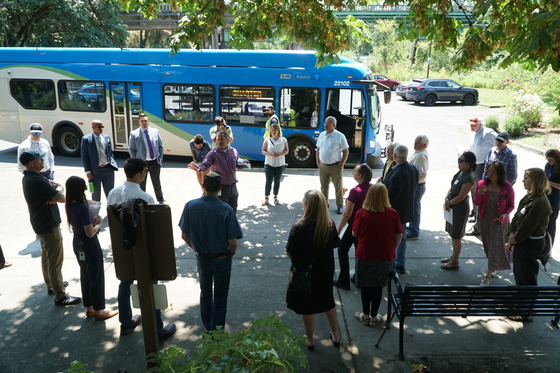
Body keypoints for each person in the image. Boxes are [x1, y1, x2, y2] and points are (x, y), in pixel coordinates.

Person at [107, 158, 176, 340]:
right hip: (143, 250)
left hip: (122, 248)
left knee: (125, 283)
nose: (145, 174)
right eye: (145, 172)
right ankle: (157, 329)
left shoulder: (113, 194)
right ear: (138, 175)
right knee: (150, 287)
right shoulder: (145, 198)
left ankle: (126, 323)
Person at [179, 172, 243, 333]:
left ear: (203, 185)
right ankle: (218, 330)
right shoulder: (226, 209)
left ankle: (208, 327)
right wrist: (229, 254)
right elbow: (233, 242)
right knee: (220, 295)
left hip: (201, 257)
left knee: (205, 292)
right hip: (221, 258)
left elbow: (184, 235)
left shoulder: (190, 206)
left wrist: (197, 249)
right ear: (220, 188)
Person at [20, 150, 81, 306]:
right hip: (48, 224)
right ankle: (60, 295)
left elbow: (52, 189)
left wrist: (52, 188)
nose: (42, 161)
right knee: (55, 260)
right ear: (31, 163)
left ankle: (52, 285)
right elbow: (62, 198)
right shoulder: (37, 181)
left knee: (47, 256)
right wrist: (59, 188)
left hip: (39, 223)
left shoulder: (30, 178)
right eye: (39, 159)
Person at [285, 190, 341, 351]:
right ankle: (336, 335)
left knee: (307, 307)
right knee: (328, 302)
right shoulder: (329, 225)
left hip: (305, 273)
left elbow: (290, 252)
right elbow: (334, 244)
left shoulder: (298, 227)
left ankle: (310, 340)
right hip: (325, 272)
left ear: (307, 205)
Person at [65, 176, 118, 320]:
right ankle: (100, 310)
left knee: (86, 275)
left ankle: (90, 307)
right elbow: (90, 232)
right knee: (96, 276)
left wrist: (92, 222)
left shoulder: (70, 204)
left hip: (77, 242)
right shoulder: (83, 207)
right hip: (89, 244)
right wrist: (99, 224)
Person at [352, 183, 403, 326]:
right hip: (384, 256)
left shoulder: (361, 214)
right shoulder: (392, 213)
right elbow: (398, 234)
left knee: (365, 286)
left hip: (364, 255)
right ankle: (374, 316)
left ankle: (365, 314)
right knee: (378, 287)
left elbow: (355, 233)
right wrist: (392, 247)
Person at [507, 168, 552, 290]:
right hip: (522, 241)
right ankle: (522, 302)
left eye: (526, 178)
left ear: (535, 181)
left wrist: (514, 239)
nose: (523, 181)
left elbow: (527, 226)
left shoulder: (540, 202)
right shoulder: (530, 196)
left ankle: (527, 304)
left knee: (527, 278)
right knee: (519, 274)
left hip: (530, 243)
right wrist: (511, 232)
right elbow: (517, 216)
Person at [473, 162, 515, 284]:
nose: (489, 174)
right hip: (485, 219)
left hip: (500, 222)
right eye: (488, 171)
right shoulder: (482, 184)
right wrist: (480, 194)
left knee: (495, 247)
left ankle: (488, 275)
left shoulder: (507, 187)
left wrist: (505, 214)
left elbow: (511, 205)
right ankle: (494, 266)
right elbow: (476, 203)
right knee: (487, 245)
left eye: (493, 172)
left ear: (500, 174)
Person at [333, 164, 373, 290]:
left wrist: (339, 228)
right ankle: (359, 278)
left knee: (342, 250)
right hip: (366, 227)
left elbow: (347, 214)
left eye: (354, 172)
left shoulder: (355, 191)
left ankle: (344, 281)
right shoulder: (373, 188)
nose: (352, 173)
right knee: (359, 252)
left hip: (353, 226)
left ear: (360, 176)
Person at [189, 131, 249, 212]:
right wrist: (199, 168)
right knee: (221, 211)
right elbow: (206, 163)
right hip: (220, 187)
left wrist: (244, 163)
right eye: (218, 139)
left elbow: (237, 164)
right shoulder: (212, 154)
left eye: (221, 139)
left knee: (233, 210)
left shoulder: (233, 151)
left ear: (227, 140)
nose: (219, 141)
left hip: (233, 187)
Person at [382, 145, 418, 274]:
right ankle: (399, 263)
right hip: (406, 209)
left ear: (395, 156)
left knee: (394, 238)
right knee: (401, 237)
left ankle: (393, 263)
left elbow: (392, 196)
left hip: (396, 212)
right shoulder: (413, 168)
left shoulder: (397, 172)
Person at [442, 151, 476, 270]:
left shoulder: (469, 177)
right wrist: (447, 199)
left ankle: (455, 261)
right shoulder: (461, 173)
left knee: (456, 236)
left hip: (459, 208)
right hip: (452, 205)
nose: (459, 163)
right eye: (458, 160)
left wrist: (449, 203)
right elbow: (452, 188)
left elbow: (461, 196)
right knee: (452, 234)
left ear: (468, 163)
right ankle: (453, 256)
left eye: (461, 161)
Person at [467, 117, 497, 235]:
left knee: (480, 191)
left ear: (480, 124)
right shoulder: (473, 134)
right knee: (473, 190)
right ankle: (475, 213)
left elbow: (499, 143)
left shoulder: (488, 133)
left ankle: (479, 216)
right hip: (473, 165)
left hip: (482, 165)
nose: (471, 126)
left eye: (474, 124)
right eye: (470, 124)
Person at [316, 116, 350, 215]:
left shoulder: (340, 136)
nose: (325, 125)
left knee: (338, 187)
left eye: (328, 124)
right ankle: (324, 204)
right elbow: (318, 149)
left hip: (336, 166)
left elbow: (346, 151)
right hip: (323, 165)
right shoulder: (322, 135)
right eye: (325, 123)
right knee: (324, 186)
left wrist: (342, 163)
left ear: (334, 126)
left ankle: (339, 205)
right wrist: (318, 162)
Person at [128, 113, 165, 203]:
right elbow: (131, 149)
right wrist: (136, 161)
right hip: (142, 163)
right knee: (141, 183)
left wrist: (160, 158)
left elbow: (160, 146)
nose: (144, 123)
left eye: (146, 121)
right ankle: (142, 200)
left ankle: (160, 199)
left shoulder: (155, 131)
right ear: (139, 122)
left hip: (154, 162)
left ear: (148, 122)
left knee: (156, 182)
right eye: (142, 121)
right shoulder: (134, 133)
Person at [80, 120, 119, 202]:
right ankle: (95, 213)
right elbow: (84, 156)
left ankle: (111, 212)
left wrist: (112, 163)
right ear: (93, 127)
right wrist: (88, 172)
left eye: (102, 126)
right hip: (94, 171)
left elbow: (110, 152)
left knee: (110, 193)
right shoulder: (86, 139)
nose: (101, 128)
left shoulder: (106, 137)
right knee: (94, 193)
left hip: (108, 169)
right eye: (99, 127)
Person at [407, 135, 429, 240]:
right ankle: (412, 227)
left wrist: (411, 181)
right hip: (416, 185)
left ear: (424, 144)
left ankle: (413, 231)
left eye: (417, 142)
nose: (414, 144)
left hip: (417, 186)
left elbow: (422, 173)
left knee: (415, 208)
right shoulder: (418, 153)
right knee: (413, 207)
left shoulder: (421, 156)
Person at [261, 123, 288, 206]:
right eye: (272, 130)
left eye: (275, 130)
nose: (273, 132)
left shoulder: (283, 140)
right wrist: (270, 154)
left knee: (277, 180)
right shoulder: (267, 140)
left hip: (280, 163)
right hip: (269, 163)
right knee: (268, 181)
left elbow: (286, 151)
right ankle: (266, 198)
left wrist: (279, 154)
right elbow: (263, 151)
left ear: (278, 131)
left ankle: (275, 197)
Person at [544, 149, 560, 244]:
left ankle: (549, 245)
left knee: (551, 222)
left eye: (550, 160)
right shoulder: (548, 165)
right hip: (546, 195)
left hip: (555, 198)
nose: (549, 162)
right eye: (547, 160)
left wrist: (548, 183)